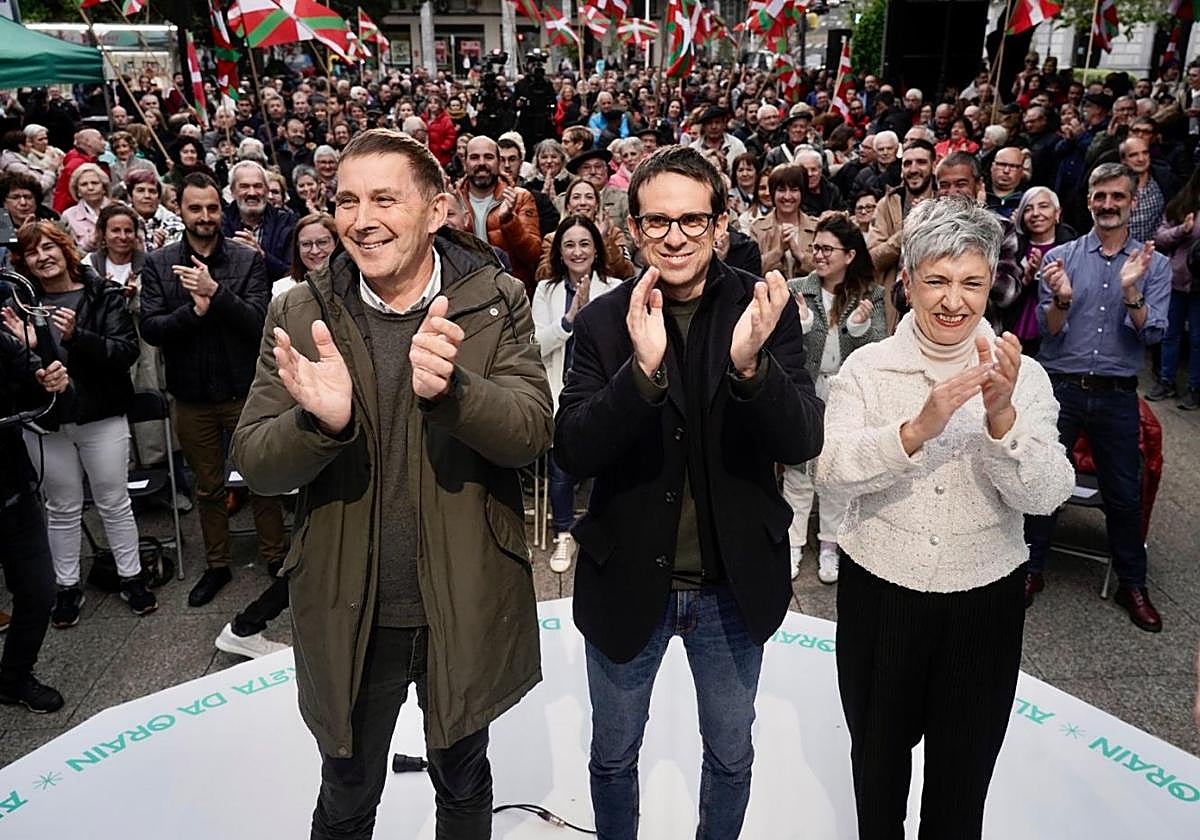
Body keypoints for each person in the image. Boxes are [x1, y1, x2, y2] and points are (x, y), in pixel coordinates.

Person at [232, 128, 553, 839]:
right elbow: (255, 460)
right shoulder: (299, 310)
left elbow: (532, 429)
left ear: (436, 210)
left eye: (384, 198)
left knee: (464, 782)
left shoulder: (494, 299)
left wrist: (458, 394)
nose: (360, 219)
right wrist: (319, 424)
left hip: (462, 601)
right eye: (346, 200)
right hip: (351, 608)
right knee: (346, 795)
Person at [554, 145, 824, 840]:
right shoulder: (603, 322)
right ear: (633, 229)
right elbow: (573, 449)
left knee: (730, 758)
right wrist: (638, 378)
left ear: (721, 223)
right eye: (657, 221)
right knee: (613, 757)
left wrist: (753, 369)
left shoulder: (763, 308)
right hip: (624, 581)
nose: (675, 236)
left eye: (692, 220)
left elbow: (801, 439)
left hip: (732, 587)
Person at [817, 195, 1074, 840]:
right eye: (936, 280)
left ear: (991, 286)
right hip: (880, 592)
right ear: (907, 281)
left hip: (984, 601)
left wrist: (1002, 420)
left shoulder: (1022, 377)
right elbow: (831, 469)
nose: (953, 301)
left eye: (971, 283)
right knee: (877, 764)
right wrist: (915, 431)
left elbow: (1047, 494)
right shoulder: (868, 367)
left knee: (963, 777)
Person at [1025, 163, 1172, 632]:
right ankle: (1029, 569)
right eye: (1101, 196)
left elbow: (1152, 334)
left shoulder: (1154, 264)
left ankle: (1132, 583)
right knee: (1044, 482)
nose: (1108, 205)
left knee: (1124, 494)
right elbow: (1049, 333)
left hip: (1116, 395)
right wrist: (1062, 298)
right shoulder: (1061, 257)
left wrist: (1131, 289)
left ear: (1133, 202)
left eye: (1118, 197)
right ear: (1088, 200)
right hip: (1062, 388)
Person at [140, 172, 286, 609]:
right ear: (180, 210)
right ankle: (217, 564)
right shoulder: (159, 263)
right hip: (192, 397)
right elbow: (151, 329)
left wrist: (215, 293)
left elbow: (258, 322)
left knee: (263, 478)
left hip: (245, 393)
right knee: (207, 487)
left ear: (222, 209)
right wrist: (195, 312)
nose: (205, 216)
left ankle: (276, 557)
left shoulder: (246, 259)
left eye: (211, 208)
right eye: (195, 208)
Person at [3, 221, 157, 625]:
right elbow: (12, 368)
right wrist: (32, 359)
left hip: (100, 415)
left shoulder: (102, 293)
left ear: (65, 248)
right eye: (32, 252)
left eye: (48, 247)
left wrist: (76, 336)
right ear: (23, 262)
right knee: (62, 506)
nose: (42, 257)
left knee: (114, 500)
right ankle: (67, 587)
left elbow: (124, 352)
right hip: (47, 423)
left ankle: (132, 577)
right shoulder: (17, 305)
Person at [783, 213, 885, 582]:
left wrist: (859, 328)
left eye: (828, 249)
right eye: (815, 248)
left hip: (845, 394)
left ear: (850, 255)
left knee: (836, 470)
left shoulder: (871, 294)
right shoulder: (798, 288)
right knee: (798, 470)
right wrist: (802, 324)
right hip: (806, 390)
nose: (819, 255)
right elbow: (781, 346)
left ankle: (830, 545)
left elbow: (878, 350)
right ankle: (792, 544)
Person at [532, 215, 623, 574]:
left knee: (607, 467)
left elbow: (622, 346)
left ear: (596, 249)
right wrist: (569, 319)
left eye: (585, 243)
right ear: (559, 251)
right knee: (562, 471)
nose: (577, 251)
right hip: (559, 392)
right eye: (569, 244)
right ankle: (564, 533)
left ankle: (606, 532)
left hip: (603, 391)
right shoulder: (546, 290)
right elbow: (534, 345)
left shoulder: (615, 288)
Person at [0, 318, 67, 713]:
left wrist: (49, 377)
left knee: (39, 591)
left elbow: (44, 396)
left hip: (12, 490)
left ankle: (14, 676)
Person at [456, 136, 543, 297]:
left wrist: (509, 220)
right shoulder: (453, 201)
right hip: (465, 293)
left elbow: (533, 255)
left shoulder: (520, 198)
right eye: (474, 157)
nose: (482, 163)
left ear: (499, 162)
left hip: (510, 294)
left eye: (489, 157)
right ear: (465, 162)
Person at [869, 139, 936, 332]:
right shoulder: (887, 204)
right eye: (907, 163)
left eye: (921, 162)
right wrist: (907, 229)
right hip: (893, 307)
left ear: (933, 165)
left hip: (932, 300)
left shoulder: (944, 202)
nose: (913, 169)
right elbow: (872, 258)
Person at [1149, 168, 1200, 409]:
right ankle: (1166, 380)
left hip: (1198, 286)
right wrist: (1182, 230)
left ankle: (1194, 388)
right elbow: (1160, 236)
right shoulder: (1183, 203)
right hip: (1178, 279)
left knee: (1198, 339)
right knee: (1170, 334)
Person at [536, 177, 635, 281]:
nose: (583, 202)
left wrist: (602, 239)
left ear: (597, 205)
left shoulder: (614, 234)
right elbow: (543, 276)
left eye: (589, 197)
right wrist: (560, 249)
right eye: (576, 197)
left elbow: (625, 272)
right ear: (568, 205)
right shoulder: (552, 238)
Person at [221, 160, 299, 282]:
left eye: (258, 186)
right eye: (244, 186)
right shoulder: (219, 224)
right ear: (232, 191)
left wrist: (261, 255)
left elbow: (292, 274)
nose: (252, 193)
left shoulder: (288, 223)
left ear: (267, 191)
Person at [748, 163, 817, 279]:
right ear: (772, 193)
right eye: (781, 190)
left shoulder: (817, 227)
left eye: (794, 190)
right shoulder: (757, 228)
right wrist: (778, 251)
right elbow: (750, 270)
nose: (787, 196)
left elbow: (828, 270)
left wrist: (800, 255)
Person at [271, 212, 338, 299]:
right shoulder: (283, 289)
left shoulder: (351, 284)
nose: (315, 251)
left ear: (337, 244)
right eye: (306, 244)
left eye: (322, 242)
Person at [124, 169, 184, 252]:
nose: (147, 196)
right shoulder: (119, 219)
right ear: (130, 196)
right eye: (140, 190)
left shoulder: (173, 222)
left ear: (159, 198)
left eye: (152, 191)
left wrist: (160, 250)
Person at [61, 164, 113, 254]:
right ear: (78, 191)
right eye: (84, 184)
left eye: (95, 183)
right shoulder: (68, 216)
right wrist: (92, 239)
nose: (90, 188)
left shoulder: (120, 208)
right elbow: (70, 250)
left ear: (104, 188)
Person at [52, 129, 106, 214]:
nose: (104, 143)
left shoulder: (88, 161)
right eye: (100, 139)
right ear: (88, 142)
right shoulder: (76, 165)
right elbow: (70, 196)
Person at [986, 147, 1026, 220]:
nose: (1006, 171)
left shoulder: (1027, 201)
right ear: (992, 167)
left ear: (1021, 171)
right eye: (1002, 165)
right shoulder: (976, 195)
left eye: (1013, 166)